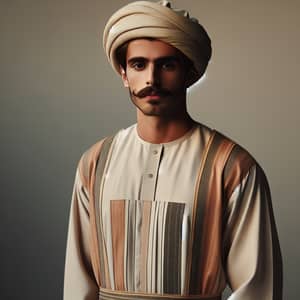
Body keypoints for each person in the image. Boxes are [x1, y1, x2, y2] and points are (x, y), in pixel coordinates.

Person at [63, 1, 283, 300]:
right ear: (124, 74)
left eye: (166, 64)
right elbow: (78, 281)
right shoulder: (96, 162)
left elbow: (258, 287)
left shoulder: (231, 167)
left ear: (189, 73)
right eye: (139, 65)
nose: (151, 79)